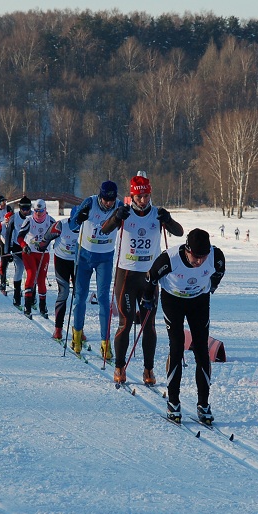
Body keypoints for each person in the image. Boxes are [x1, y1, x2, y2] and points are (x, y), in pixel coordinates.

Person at [101, 172, 183, 385]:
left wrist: (168, 219)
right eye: (139, 197)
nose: (143, 200)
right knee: (125, 323)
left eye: (146, 196)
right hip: (126, 275)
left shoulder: (157, 214)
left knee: (149, 325)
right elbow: (104, 230)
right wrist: (116, 217)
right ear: (132, 196)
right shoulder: (125, 213)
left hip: (149, 277)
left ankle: (148, 370)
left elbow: (179, 232)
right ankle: (119, 366)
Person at [143, 228, 225, 424]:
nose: (199, 261)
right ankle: (173, 401)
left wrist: (211, 286)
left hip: (199, 300)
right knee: (177, 346)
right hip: (173, 301)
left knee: (201, 350)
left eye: (203, 257)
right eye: (195, 257)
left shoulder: (216, 256)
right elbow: (150, 277)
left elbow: (219, 272)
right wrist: (147, 298)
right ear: (187, 250)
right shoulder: (169, 259)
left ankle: (204, 404)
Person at [68, 180, 122, 357]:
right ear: (100, 196)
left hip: (105, 258)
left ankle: (105, 343)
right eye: (105, 199)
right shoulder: (90, 202)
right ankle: (76, 336)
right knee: (80, 297)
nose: (108, 203)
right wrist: (80, 217)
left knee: (103, 298)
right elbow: (73, 225)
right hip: (84, 255)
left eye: (111, 200)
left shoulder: (119, 206)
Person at [17, 199, 55, 318]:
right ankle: (28, 307)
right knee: (31, 274)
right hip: (30, 253)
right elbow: (20, 237)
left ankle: (42, 307)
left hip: (44, 253)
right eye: (36, 210)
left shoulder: (51, 221)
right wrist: (24, 246)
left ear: (45, 210)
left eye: (41, 210)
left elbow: (59, 234)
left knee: (41, 279)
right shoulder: (29, 220)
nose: (38, 213)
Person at [44, 216, 80, 339]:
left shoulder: (86, 226)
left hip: (78, 262)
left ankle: (79, 329)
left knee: (79, 295)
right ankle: (58, 329)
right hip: (61, 260)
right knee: (63, 293)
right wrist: (42, 245)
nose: (76, 227)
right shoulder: (61, 225)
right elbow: (47, 236)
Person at [2, 196, 32, 306]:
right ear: (19, 208)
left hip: (30, 249)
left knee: (31, 272)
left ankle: (31, 296)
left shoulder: (34, 216)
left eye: (28, 208)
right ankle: (16, 295)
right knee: (19, 269)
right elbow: (8, 235)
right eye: (23, 208)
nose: (25, 211)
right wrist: (7, 252)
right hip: (17, 248)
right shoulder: (14, 218)